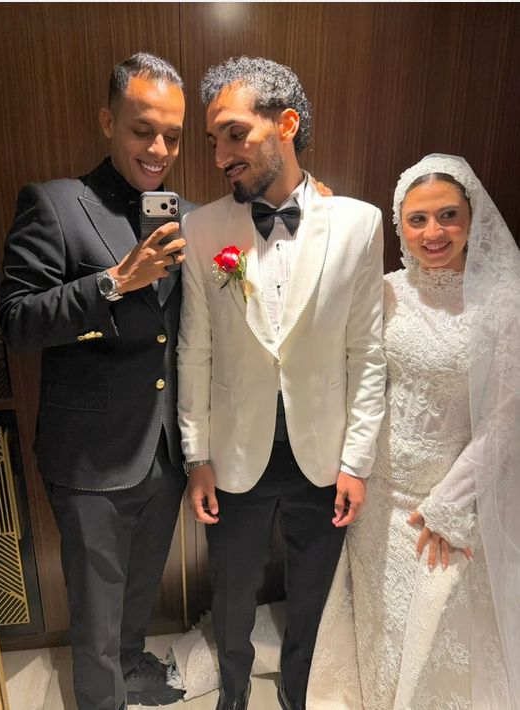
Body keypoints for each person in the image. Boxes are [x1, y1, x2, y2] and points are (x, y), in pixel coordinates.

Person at [176, 56, 386, 710]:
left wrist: (356, 462)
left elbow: (366, 352)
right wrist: (196, 456)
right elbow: (195, 351)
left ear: (286, 124)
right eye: (213, 140)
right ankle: (233, 693)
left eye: (235, 134)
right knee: (231, 593)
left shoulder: (359, 223)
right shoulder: (203, 228)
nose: (220, 156)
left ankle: (300, 693)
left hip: (322, 456)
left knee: (313, 594)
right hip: (233, 454)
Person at [0, 53, 196, 710]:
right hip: (88, 457)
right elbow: (17, 322)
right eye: (143, 130)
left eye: (172, 135)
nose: (159, 149)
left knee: (139, 591)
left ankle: (132, 669)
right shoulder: (55, 204)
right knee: (95, 611)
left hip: (164, 451)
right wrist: (113, 282)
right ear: (108, 121)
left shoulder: (191, 217)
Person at [305, 153, 520, 709]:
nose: (434, 232)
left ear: (472, 218)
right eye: (417, 219)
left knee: (435, 624)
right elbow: (348, 367)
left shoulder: (503, 304)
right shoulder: (385, 290)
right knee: (381, 615)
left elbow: (506, 418)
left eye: (448, 215)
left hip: (448, 497)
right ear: (400, 225)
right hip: (378, 490)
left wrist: (451, 503)